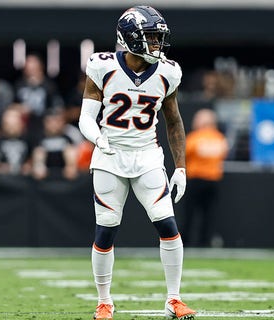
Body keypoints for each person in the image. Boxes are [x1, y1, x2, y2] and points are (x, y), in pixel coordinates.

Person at [77, 6, 196, 320]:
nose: (157, 44)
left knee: (167, 225)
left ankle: (174, 299)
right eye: (151, 37)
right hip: (109, 156)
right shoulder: (102, 66)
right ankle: (104, 302)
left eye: (158, 38)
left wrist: (180, 166)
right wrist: (98, 139)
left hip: (147, 157)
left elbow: (174, 122)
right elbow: (86, 117)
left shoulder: (167, 71)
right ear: (130, 38)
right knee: (106, 230)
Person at [182, 108, 228, 247]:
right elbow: (223, 155)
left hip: (195, 179)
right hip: (213, 180)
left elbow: (184, 153)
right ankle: (205, 243)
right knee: (209, 214)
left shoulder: (195, 137)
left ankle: (186, 242)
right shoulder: (220, 138)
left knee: (189, 214)